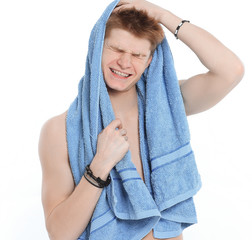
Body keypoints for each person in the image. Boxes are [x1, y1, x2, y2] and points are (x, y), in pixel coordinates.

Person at [38, 0, 244, 239]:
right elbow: (59, 234)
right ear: (97, 48)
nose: (125, 63)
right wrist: (100, 166)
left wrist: (164, 15)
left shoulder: (168, 107)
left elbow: (232, 70)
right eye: (117, 49)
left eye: (137, 55)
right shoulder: (59, 131)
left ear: (149, 61)